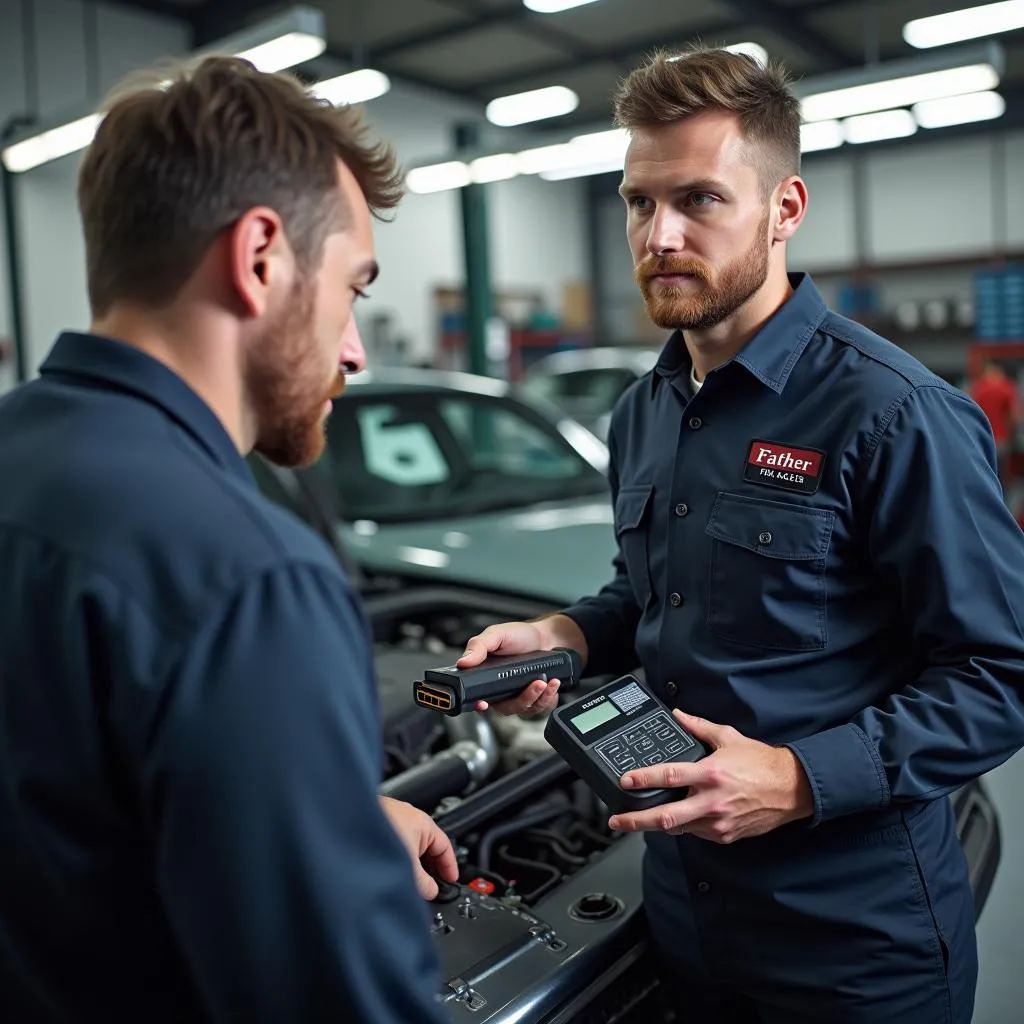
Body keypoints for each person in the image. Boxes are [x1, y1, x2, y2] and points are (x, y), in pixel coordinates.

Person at [459, 46, 1024, 1023]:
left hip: (850, 945)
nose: (659, 234)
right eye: (639, 203)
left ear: (784, 208)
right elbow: (650, 595)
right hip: (680, 913)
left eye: (700, 200)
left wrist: (802, 778)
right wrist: (568, 634)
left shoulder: (893, 414)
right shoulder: (644, 412)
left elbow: (999, 670)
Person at [0, 56, 456, 1024]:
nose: (354, 350)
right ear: (259, 258)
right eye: (353, 290)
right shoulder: (248, 578)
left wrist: (294, 816)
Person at [970, 357, 1021, 487]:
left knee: (985, 474)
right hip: (1001, 439)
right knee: (1001, 477)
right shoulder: (1007, 387)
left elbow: (971, 414)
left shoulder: (979, 387)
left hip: (981, 439)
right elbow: (1015, 417)